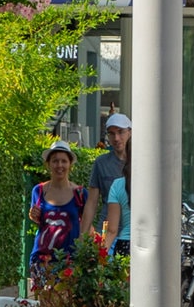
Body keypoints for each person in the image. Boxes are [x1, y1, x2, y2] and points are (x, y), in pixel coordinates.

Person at [29, 142, 85, 283]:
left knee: (65, 303)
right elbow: (40, 220)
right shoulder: (39, 191)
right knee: (44, 303)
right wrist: (33, 216)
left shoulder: (80, 193)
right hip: (42, 259)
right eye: (55, 161)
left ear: (70, 165)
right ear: (48, 165)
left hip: (69, 261)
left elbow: (86, 226)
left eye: (64, 161)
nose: (59, 165)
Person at [78, 112, 131, 242]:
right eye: (111, 133)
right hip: (106, 233)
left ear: (130, 132)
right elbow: (92, 202)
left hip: (131, 232)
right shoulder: (101, 163)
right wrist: (82, 238)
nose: (116, 138)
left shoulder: (141, 162)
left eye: (120, 132)